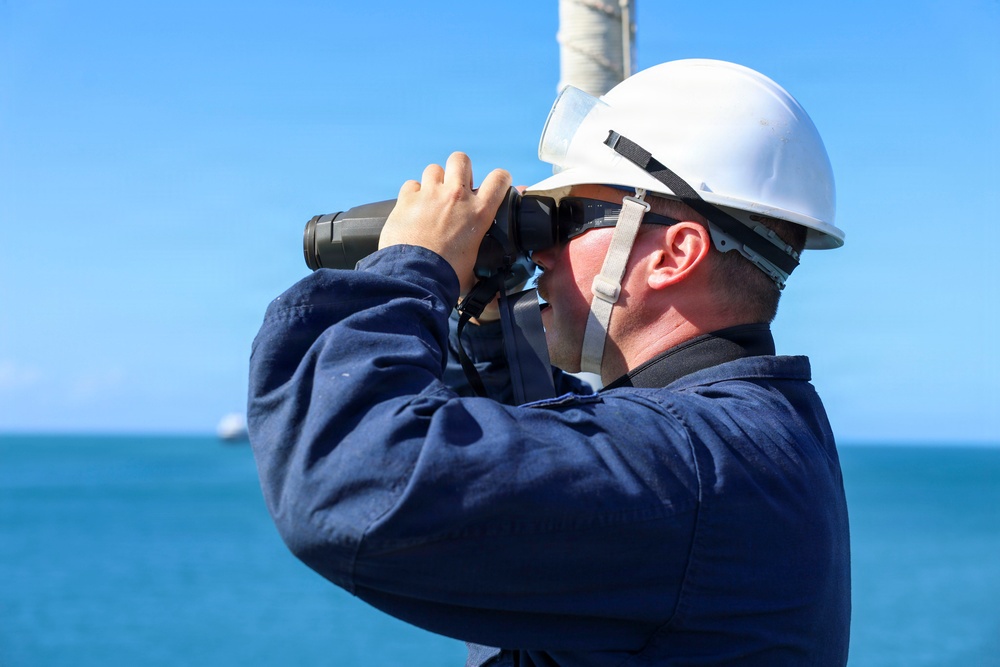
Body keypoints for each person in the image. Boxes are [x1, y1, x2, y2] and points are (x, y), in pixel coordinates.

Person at [248, 59, 851, 666]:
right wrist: (491, 317)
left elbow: (353, 483)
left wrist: (411, 266)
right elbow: (546, 460)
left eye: (569, 221)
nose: (541, 251)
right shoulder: (757, 439)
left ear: (674, 254)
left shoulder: (691, 466)